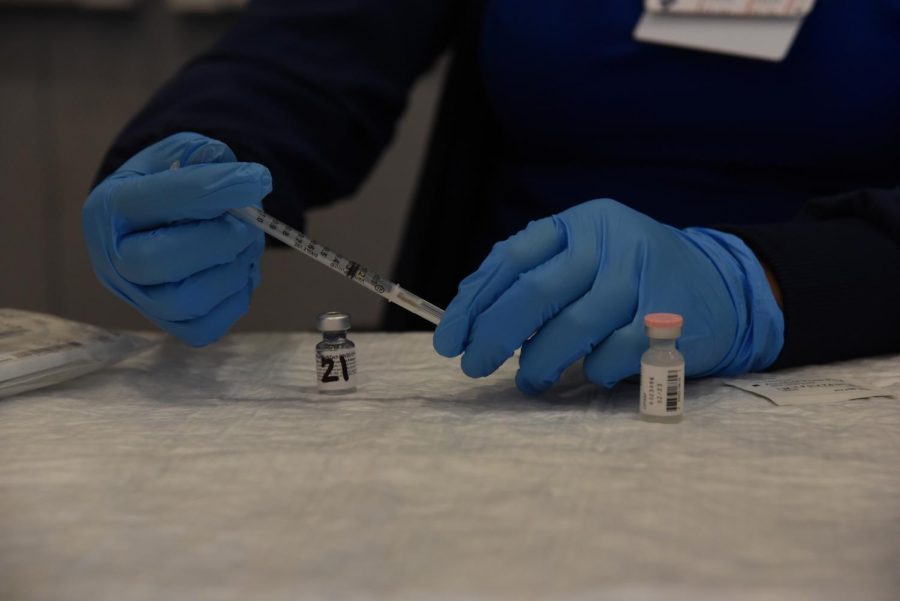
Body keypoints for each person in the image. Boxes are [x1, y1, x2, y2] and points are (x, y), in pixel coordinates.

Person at [82, 1, 900, 395]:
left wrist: (760, 281)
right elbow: (301, 55)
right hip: (505, 379)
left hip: (851, 375)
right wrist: (190, 160)